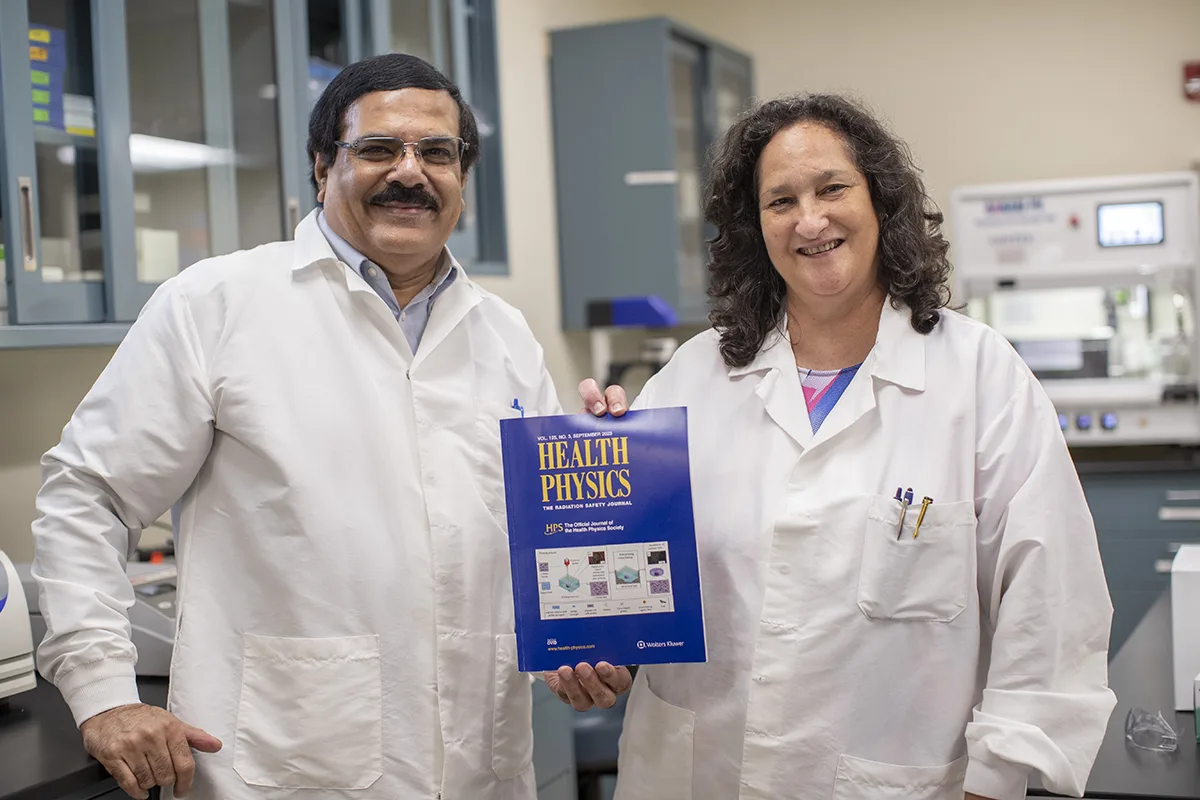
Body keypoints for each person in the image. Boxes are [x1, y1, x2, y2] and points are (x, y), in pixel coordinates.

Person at [29, 53, 581, 800]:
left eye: (438, 152)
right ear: (323, 167)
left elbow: (541, 538)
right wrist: (102, 692)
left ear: (462, 178)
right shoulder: (218, 304)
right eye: (378, 149)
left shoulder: (505, 335)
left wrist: (586, 641)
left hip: (484, 767)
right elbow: (87, 495)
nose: (411, 172)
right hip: (289, 769)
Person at [562, 93, 1116, 800]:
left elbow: (1052, 603)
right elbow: (631, 587)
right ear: (754, 227)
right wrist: (597, 643)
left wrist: (999, 777)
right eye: (780, 201)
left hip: (890, 780)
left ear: (882, 202)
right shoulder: (691, 379)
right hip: (696, 774)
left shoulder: (978, 375)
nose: (810, 220)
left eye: (832, 189)